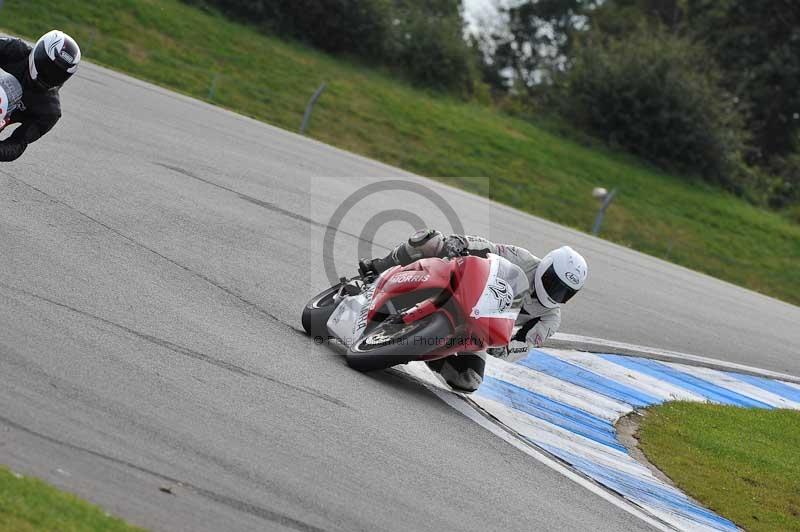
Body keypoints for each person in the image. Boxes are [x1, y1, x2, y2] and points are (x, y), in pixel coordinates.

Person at [359, 229, 588, 392]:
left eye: (564, 292)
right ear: (545, 267)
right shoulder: (524, 259)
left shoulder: (549, 318)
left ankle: (422, 350)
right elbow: (488, 246)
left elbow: (525, 345)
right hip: (464, 286)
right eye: (553, 282)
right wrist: (461, 243)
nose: (555, 293)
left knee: (469, 380)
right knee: (432, 240)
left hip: (476, 327)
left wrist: (505, 349)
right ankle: (377, 269)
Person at [0, 31, 81, 162]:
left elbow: (18, 143)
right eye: (48, 67)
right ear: (39, 53)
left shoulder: (49, 111)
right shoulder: (15, 50)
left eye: (58, 74)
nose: (49, 76)